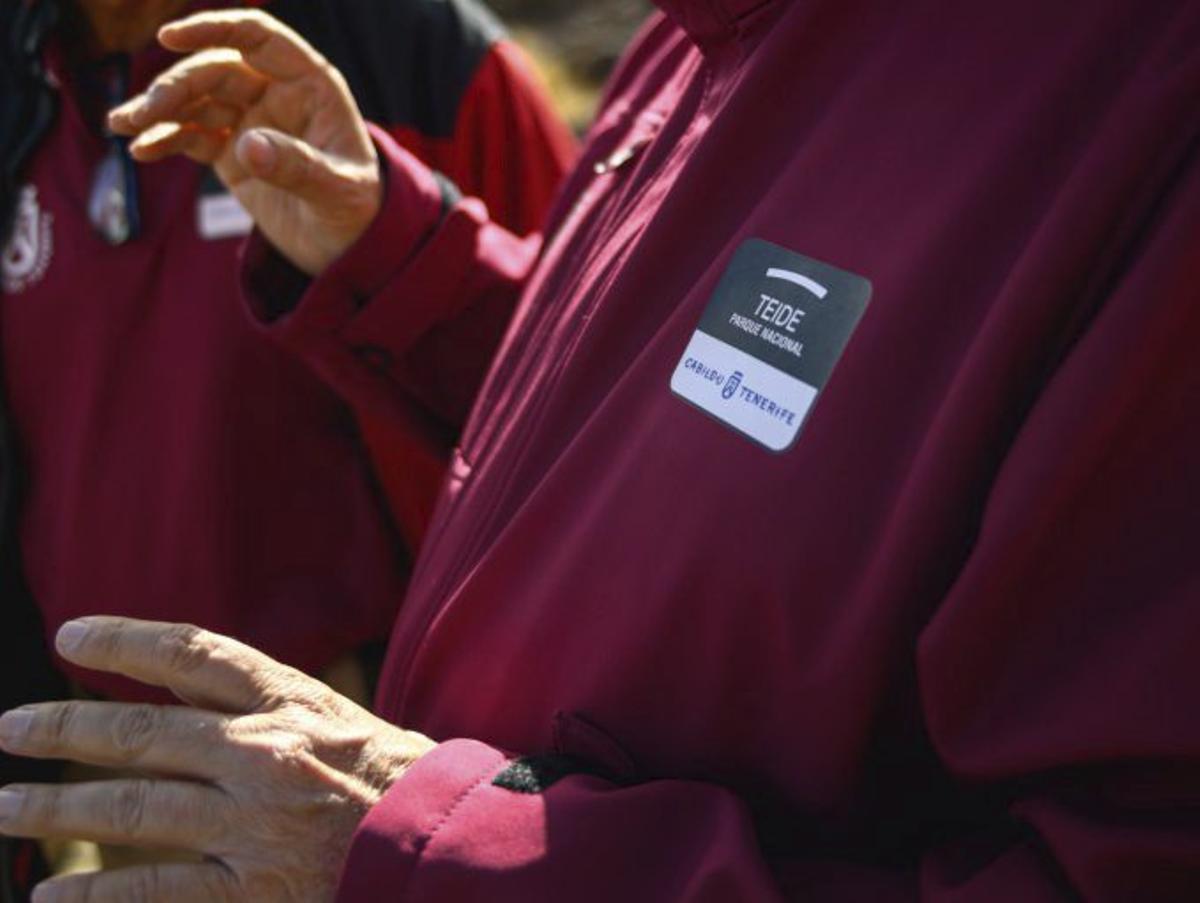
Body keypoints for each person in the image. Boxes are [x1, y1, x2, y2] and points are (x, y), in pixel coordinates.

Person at [2, 1, 1200, 900]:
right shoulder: (700, 35)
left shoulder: (1142, 107)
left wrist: (432, 847)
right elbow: (692, 426)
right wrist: (398, 263)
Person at [0, 0, 573, 895]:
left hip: (373, 767)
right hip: (86, 748)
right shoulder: (22, 73)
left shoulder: (424, 58)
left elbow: (581, 398)